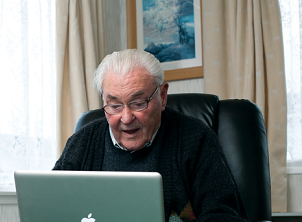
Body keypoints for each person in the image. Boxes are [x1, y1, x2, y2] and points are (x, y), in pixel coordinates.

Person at [53, 49, 250, 221]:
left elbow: (223, 214)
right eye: (114, 106)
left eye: (138, 103)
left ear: (162, 97)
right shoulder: (83, 142)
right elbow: (51, 208)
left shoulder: (196, 139)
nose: (126, 118)